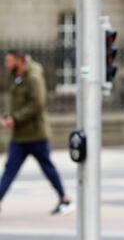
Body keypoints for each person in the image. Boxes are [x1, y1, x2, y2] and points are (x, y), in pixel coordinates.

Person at [0, 50, 73, 215]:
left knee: (47, 167)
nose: (6, 64)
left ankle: (64, 198)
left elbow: (37, 104)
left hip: (35, 134)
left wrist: (16, 119)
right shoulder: (18, 76)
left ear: (18, 60)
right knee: (10, 169)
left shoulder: (33, 77)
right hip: (20, 135)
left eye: (9, 60)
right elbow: (17, 102)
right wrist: (9, 116)